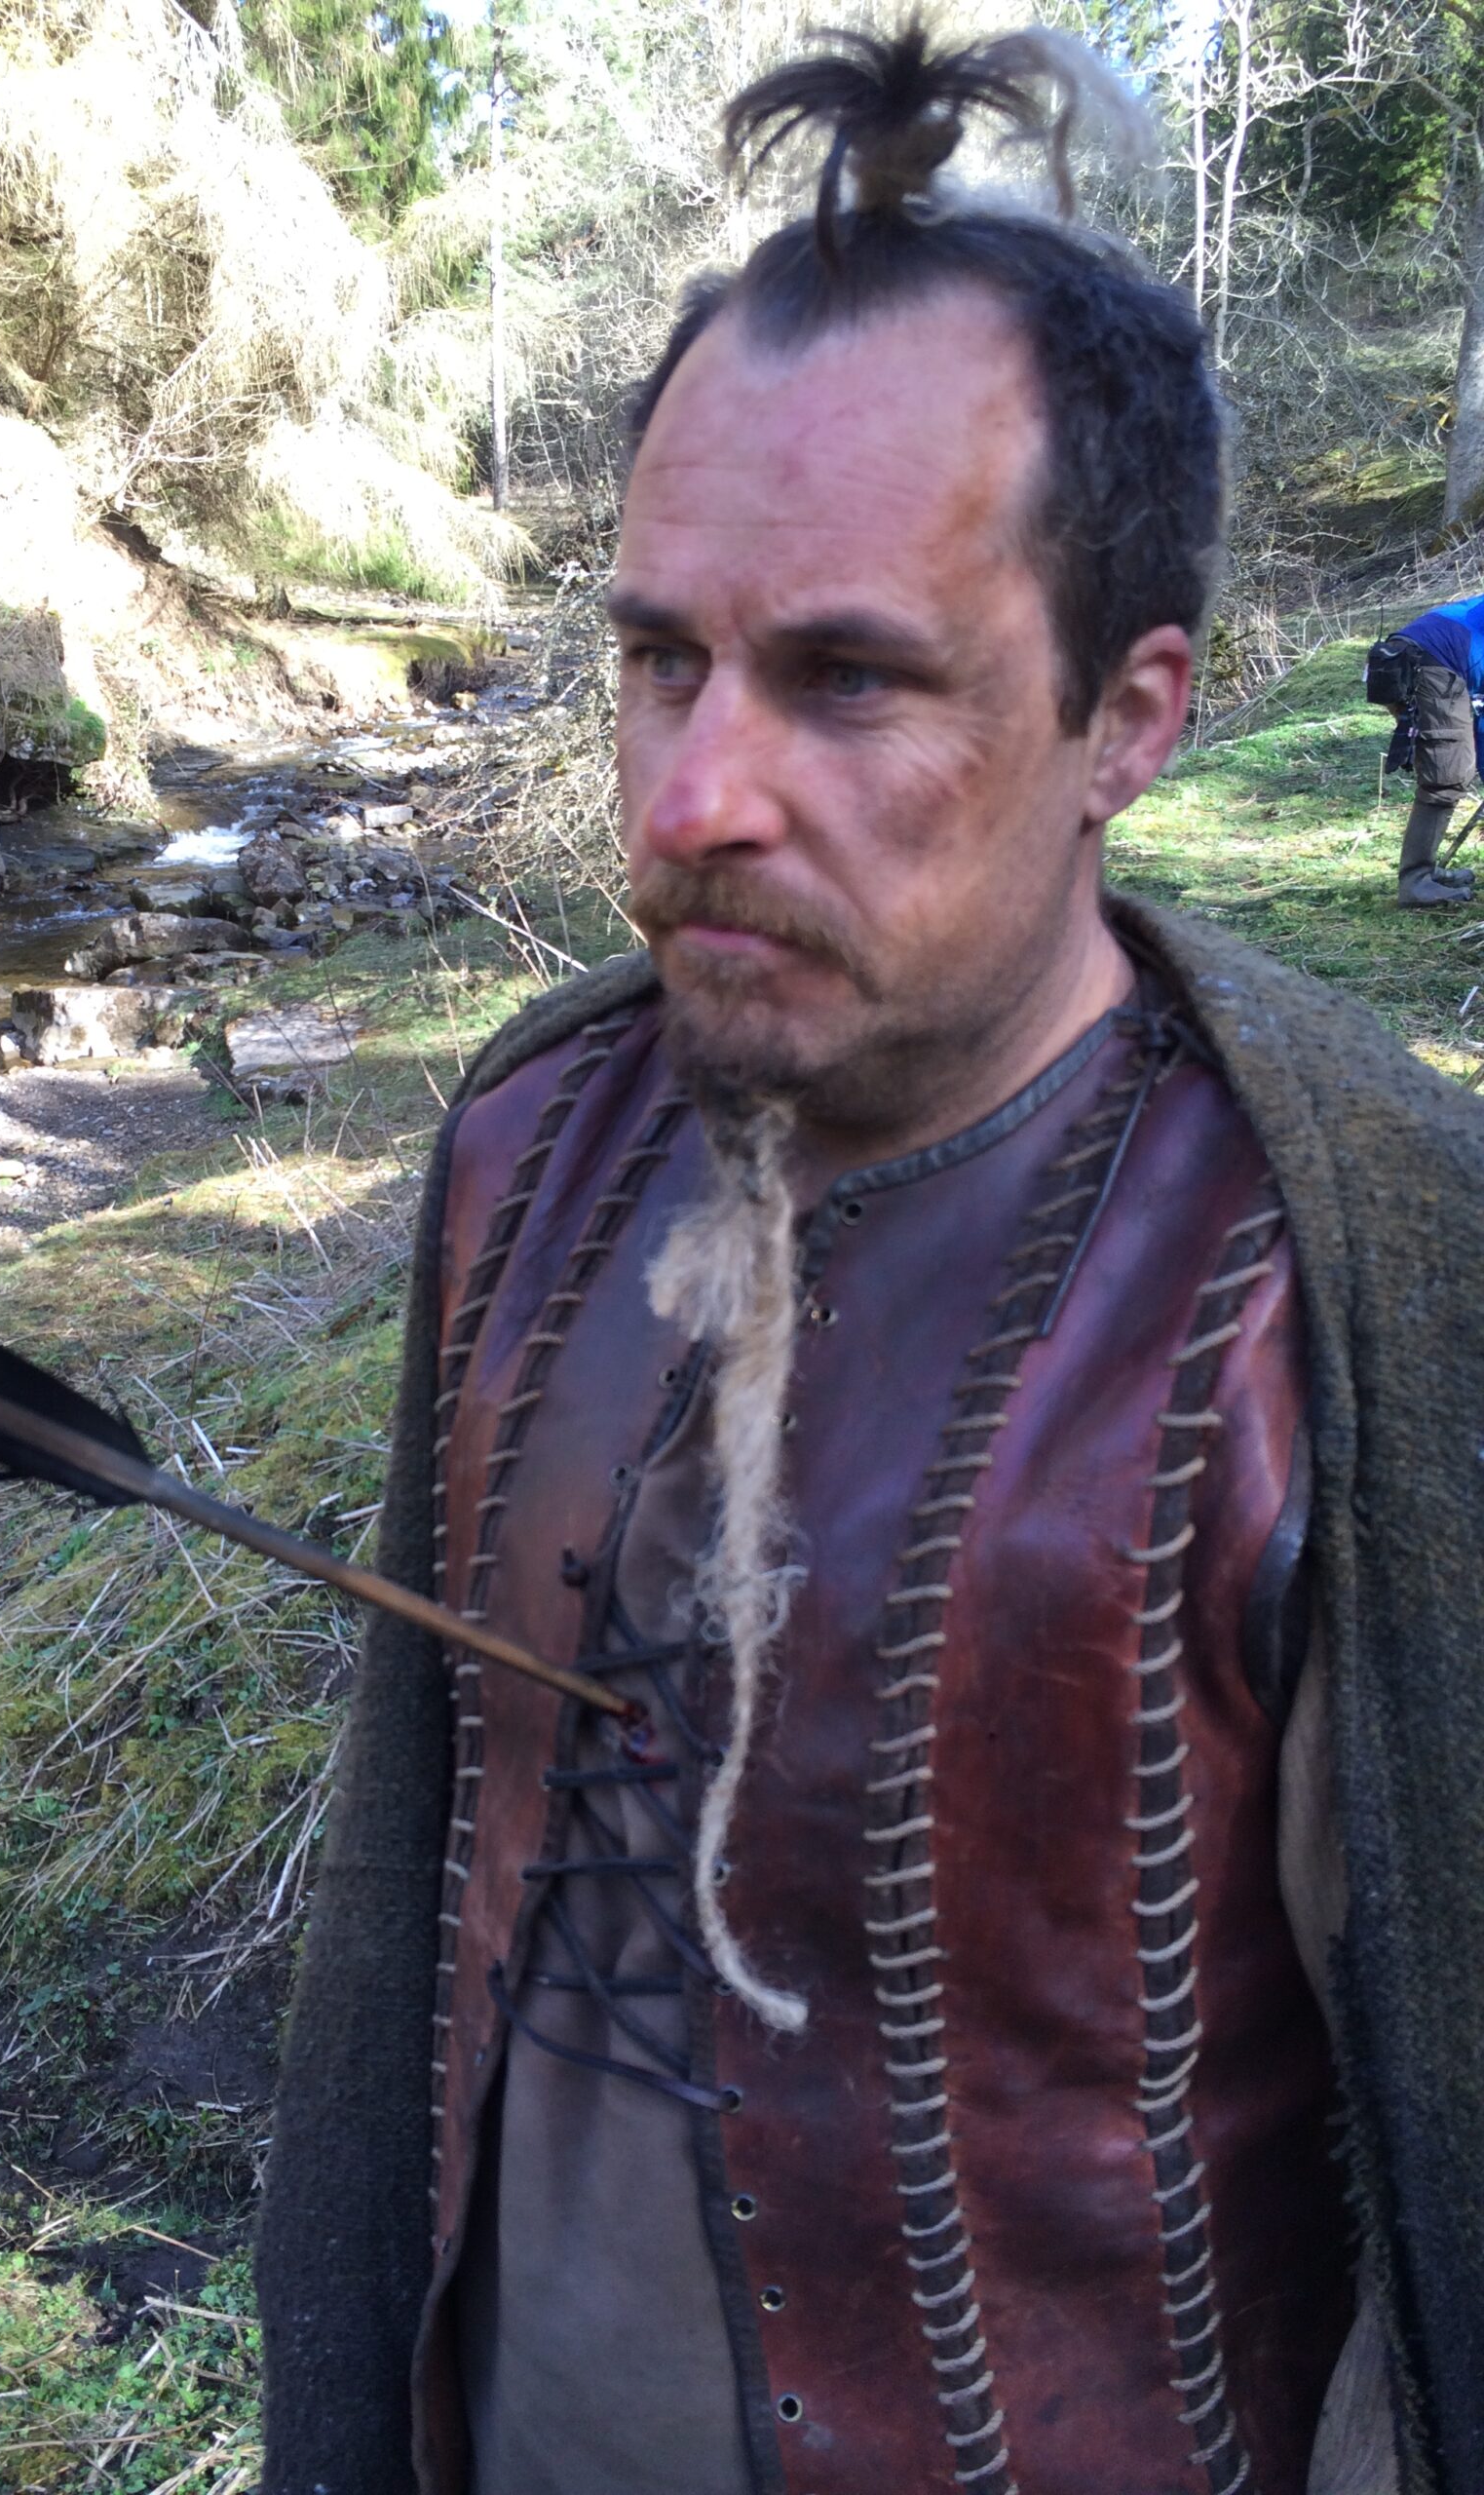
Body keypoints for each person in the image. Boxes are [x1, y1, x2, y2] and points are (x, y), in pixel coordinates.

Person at [256, 25, 1484, 2495]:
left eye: (849, 676)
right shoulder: (529, 1134)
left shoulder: (1339, 1283)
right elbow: (418, 1904)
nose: (700, 792)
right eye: (661, 659)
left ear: (1127, 715)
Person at [1368, 595, 1484, 906]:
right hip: (1428, 664)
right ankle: (1416, 882)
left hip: (1412, 657)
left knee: (1451, 768)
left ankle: (1424, 872)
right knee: (1446, 775)